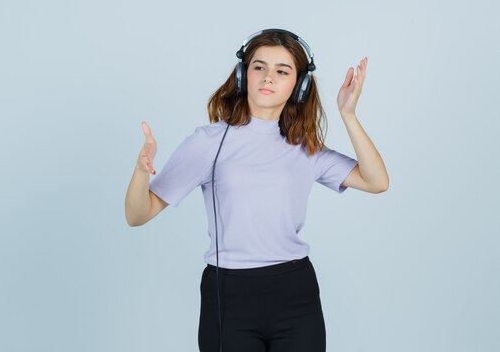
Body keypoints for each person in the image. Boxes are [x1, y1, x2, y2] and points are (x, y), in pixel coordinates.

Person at [124, 29, 389, 352]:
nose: (268, 77)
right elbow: (138, 215)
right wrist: (140, 172)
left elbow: (377, 181)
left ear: (300, 85)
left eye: (282, 71)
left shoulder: (306, 148)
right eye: (259, 67)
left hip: (295, 291)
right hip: (229, 294)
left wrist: (348, 115)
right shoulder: (208, 142)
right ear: (242, 75)